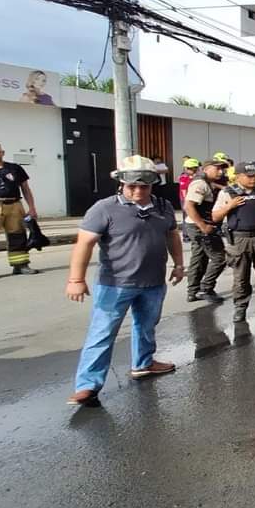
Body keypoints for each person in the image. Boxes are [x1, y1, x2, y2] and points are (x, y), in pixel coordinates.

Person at [66, 156, 183, 405]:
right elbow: (84, 244)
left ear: (153, 184)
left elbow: (172, 236)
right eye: (132, 186)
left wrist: (179, 264)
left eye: (144, 186)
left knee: (146, 326)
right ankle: (87, 385)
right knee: (102, 334)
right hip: (114, 285)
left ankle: (143, 364)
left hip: (153, 283)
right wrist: (76, 279)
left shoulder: (163, 207)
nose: (138, 191)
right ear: (121, 183)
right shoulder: (104, 209)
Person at [212, 161, 255, 323]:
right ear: (238, 176)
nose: (253, 179)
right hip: (239, 240)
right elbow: (215, 217)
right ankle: (240, 307)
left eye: (254, 175)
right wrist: (230, 206)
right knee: (241, 278)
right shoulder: (228, 192)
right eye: (249, 176)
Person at [0, 140, 39, 280]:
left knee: (18, 235)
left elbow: (25, 188)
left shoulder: (14, 168)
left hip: (14, 205)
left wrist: (31, 208)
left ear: (3, 152)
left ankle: (20, 265)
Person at [183, 159, 227, 303]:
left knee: (199, 258)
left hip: (196, 226)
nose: (221, 172)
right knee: (219, 258)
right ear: (206, 169)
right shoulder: (200, 184)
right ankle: (205, 289)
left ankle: (193, 291)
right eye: (218, 169)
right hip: (200, 227)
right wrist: (203, 226)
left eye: (223, 169)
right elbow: (188, 207)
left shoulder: (207, 182)